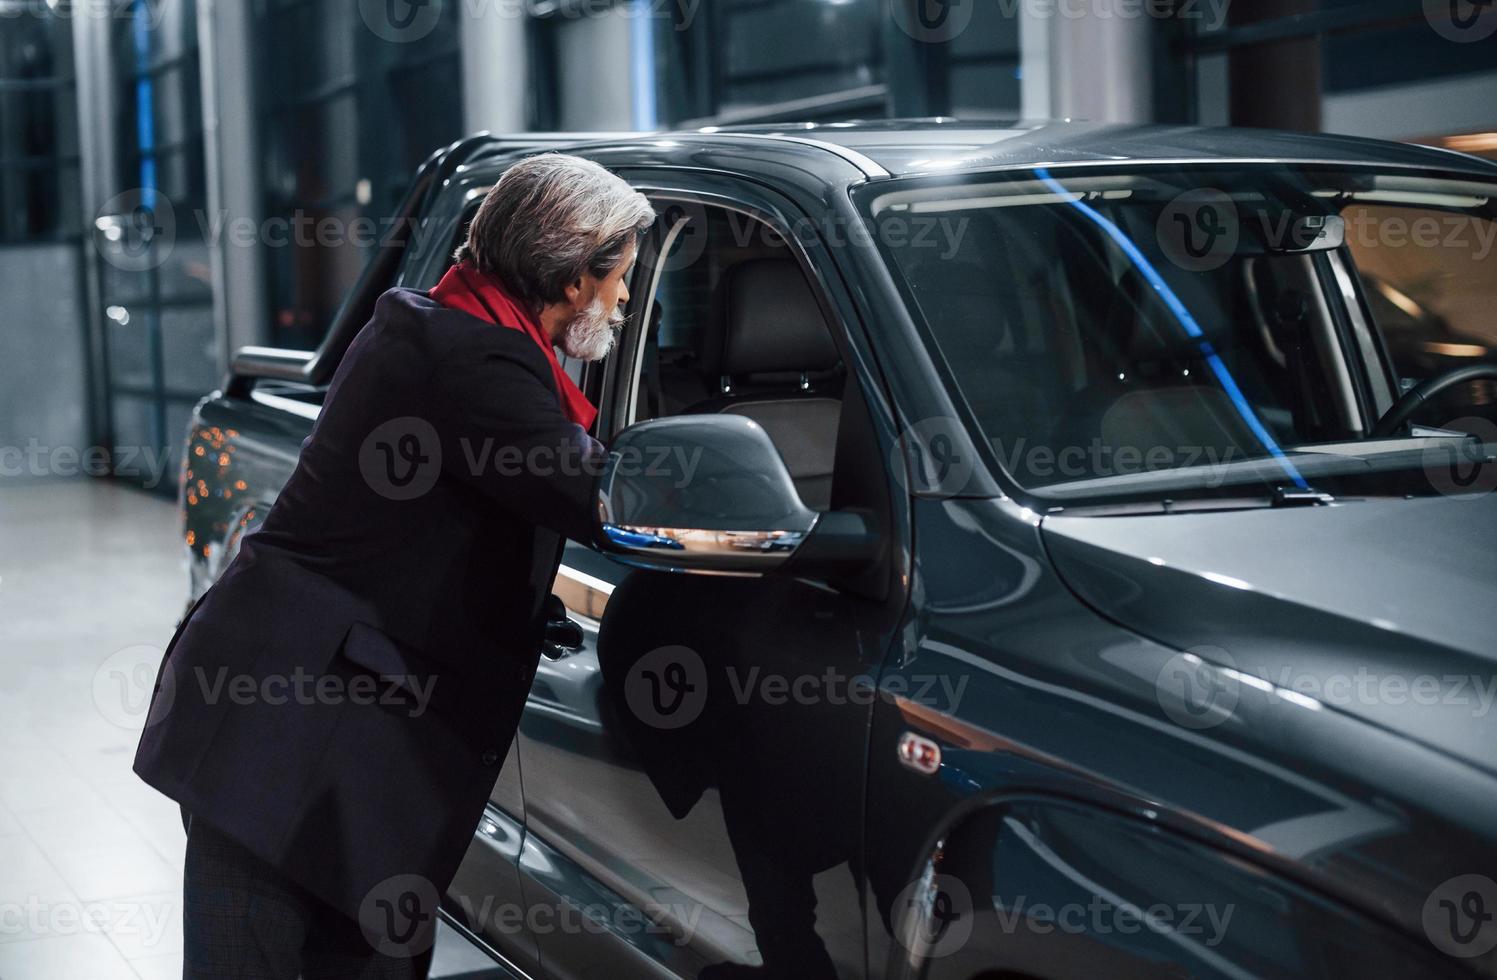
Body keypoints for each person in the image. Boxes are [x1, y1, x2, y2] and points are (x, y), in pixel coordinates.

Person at [132, 153, 655, 979]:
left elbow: (439, 518)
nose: (624, 300)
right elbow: (597, 495)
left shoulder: (435, 324)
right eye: (618, 277)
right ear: (565, 271)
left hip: (313, 742)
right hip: (298, 750)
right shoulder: (474, 360)